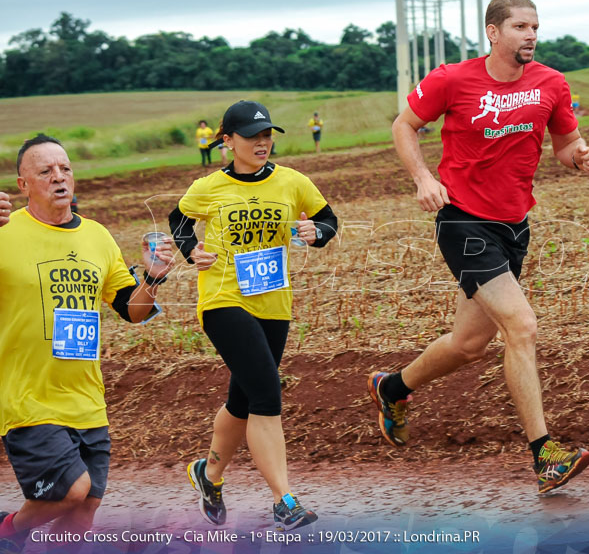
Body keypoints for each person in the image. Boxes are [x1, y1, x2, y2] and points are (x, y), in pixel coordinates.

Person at [370, 0, 589, 494]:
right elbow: (404, 125)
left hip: (514, 225)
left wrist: (580, 157)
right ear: (494, 32)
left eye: (535, 26)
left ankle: (392, 387)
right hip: (462, 221)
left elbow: (564, 145)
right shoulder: (453, 79)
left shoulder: (551, 84)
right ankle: (545, 456)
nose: (531, 35)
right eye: (520, 26)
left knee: (470, 343)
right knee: (521, 325)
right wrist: (422, 178)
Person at [168, 100, 338, 531]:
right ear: (228, 141)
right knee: (266, 394)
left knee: (243, 399)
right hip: (224, 299)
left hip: (274, 302)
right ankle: (284, 500)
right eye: (251, 136)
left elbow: (328, 220)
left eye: (266, 135)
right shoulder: (209, 187)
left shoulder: (292, 182)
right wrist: (192, 251)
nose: (262, 143)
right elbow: (179, 220)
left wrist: (316, 233)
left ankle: (208, 475)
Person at [0, 135, 173, 552]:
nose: (59, 177)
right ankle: (7, 531)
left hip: (87, 397)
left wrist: (151, 276)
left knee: (84, 509)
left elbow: (131, 310)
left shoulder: (97, 236)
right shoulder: (5, 232)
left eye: (65, 168)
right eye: (46, 171)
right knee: (71, 491)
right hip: (27, 397)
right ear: (24, 185)